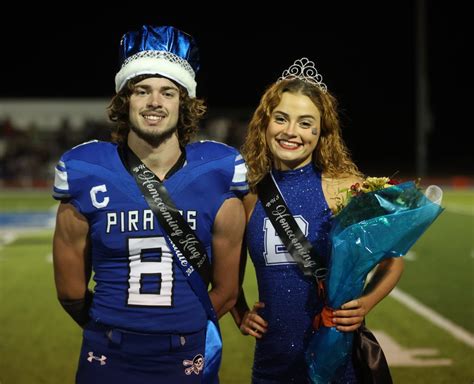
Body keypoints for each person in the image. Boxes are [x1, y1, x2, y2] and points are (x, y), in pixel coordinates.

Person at [52, 25, 247, 384]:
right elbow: (69, 290)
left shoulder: (217, 170)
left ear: (183, 102)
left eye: (168, 92)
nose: (154, 102)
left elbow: (228, 290)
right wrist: (114, 329)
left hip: (186, 355)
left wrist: (181, 329)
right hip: (107, 353)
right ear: (125, 100)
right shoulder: (86, 169)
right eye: (142, 90)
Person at [231, 57, 404, 383]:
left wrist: (366, 303)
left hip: (335, 361)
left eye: (305, 123)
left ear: (322, 131)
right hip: (271, 363)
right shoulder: (250, 196)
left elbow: (393, 261)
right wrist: (240, 312)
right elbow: (227, 272)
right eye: (281, 118)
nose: (291, 132)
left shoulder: (343, 189)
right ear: (265, 123)